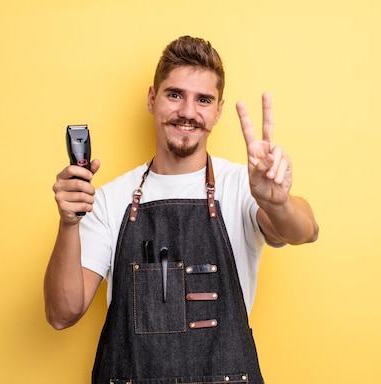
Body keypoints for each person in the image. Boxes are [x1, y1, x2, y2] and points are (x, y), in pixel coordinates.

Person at [44, 35, 319, 384]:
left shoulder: (243, 185)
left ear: (218, 110)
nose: (188, 112)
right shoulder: (111, 200)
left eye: (203, 100)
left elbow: (305, 230)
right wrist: (69, 223)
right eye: (175, 95)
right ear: (151, 99)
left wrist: (277, 201)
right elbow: (61, 314)